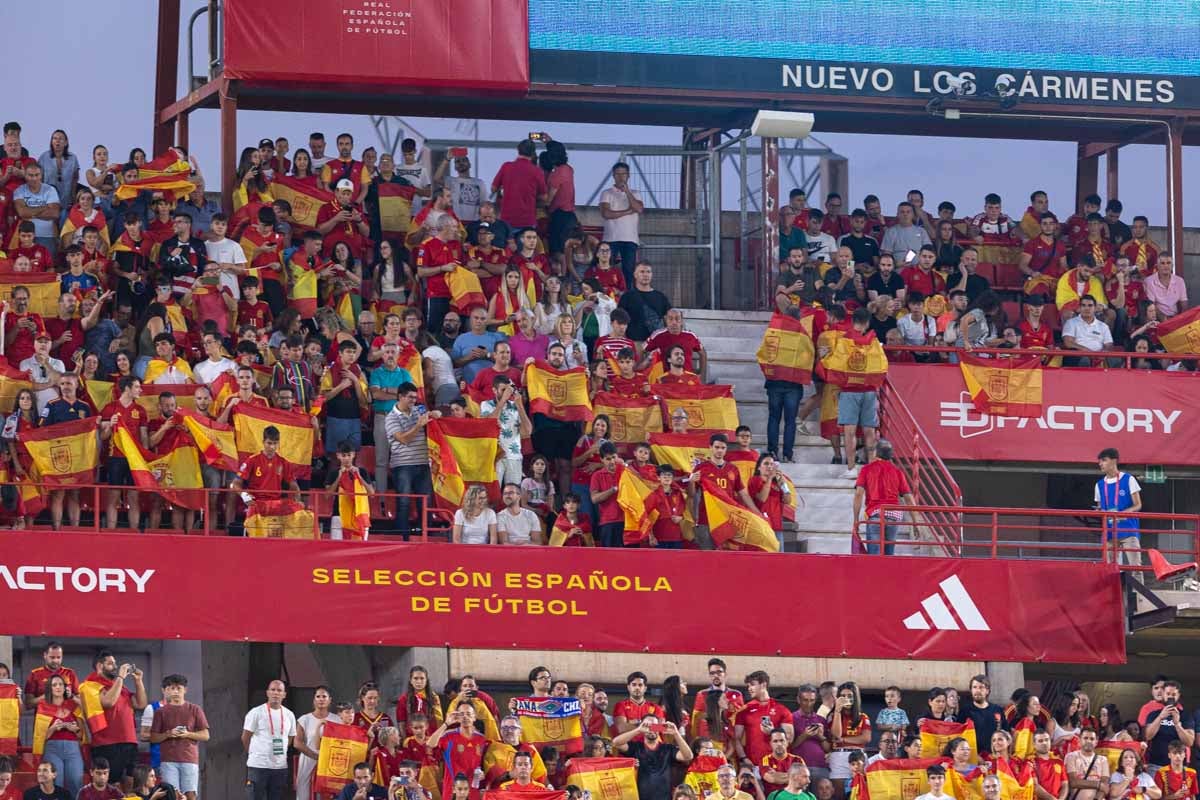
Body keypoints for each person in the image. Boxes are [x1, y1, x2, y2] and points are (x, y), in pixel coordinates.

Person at [81, 651, 147, 792]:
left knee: (132, 782)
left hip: (129, 740)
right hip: (107, 743)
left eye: (115, 663)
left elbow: (140, 704)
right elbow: (109, 702)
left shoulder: (120, 686)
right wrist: (121, 677)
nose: (115, 667)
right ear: (100, 666)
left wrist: (138, 681)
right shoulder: (90, 685)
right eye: (110, 664)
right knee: (112, 785)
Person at [386, 383, 437, 539]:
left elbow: (434, 421)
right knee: (404, 502)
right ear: (400, 396)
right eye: (410, 397)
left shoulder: (419, 411)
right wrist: (418, 425)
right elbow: (403, 439)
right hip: (402, 465)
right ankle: (402, 538)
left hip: (423, 463)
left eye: (415, 397)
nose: (414, 400)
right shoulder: (390, 418)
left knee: (426, 502)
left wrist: (437, 414)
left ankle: (426, 536)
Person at [148, 675, 209, 800]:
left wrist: (187, 734)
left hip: (189, 758)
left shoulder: (195, 709)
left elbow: (205, 735)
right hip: (168, 760)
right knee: (172, 795)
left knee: (190, 795)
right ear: (165, 690)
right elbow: (153, 737)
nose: (175, 691)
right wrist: (168, 734)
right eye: (171, 688)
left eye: (178, 688)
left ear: (185, 690)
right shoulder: (160, 712)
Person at [851, 440, 913, 555]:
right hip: (894, 516)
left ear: (876, 453)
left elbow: (858, 494)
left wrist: (856, 519)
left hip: (876, 515)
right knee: (888, 556)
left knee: (874, 558)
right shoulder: (898, 472)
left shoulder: (866, 469)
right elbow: (909, 498)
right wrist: (915, 522)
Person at [613, 716, 693, 800]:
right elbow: (616, 743)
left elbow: (688, 756)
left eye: (655, 726)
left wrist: (676, 733)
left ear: (659, 728)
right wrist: (638, 730)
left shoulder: (668, 748)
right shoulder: (636, 747)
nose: (651, 729)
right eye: (647, 726)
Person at [242, 680, 296, 800]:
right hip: (258, 766)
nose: (275, 693)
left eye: (279, 690)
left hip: (280, 767)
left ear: (284, 694)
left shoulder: (289, 715)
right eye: (272, 690)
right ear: (267, 693)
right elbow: (245, 737)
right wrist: (254, 753)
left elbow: (291, 737)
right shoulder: (256, 712)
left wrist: (280, 751)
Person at [734, 671, 793, 771]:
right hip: (754, 765)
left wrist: (772, 732)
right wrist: (744, 758)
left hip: (778, 764)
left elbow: (790, 739)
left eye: (752, 685)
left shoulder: (782, 710)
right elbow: (736, 738)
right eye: (748, 686)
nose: (749, 688)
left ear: (763, 684)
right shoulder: (744, 710)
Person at [599, 162, 644, 289]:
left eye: (623, 174)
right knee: (608, 268)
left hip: (630, 239)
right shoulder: (606, 193)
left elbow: (639, 209)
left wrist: (627, 192)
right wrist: (628, 211)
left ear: (628, 176)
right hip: (610, 239)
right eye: (618, 174)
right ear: (613, 175)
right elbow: (606, 213)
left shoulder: (635, 193)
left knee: (629, 271)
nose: (621, 177)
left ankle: (628, 297)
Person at [1145, 682, 1194, 770]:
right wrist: (1160, 717)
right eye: (1168, 694)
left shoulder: (1185, 716)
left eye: (1174, 694)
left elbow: (1189, 742)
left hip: (1178, 765)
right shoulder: (1153, 715)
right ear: (1163, 694)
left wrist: (1177, 724)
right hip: (1156, 764)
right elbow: (1148, 736)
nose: (1170, 697)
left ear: (1178, 695)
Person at [1065, 729, 1110, 800]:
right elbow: (1073, 782)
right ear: (1079, 741)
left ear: (1096, 742)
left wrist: (1097, 799)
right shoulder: (1071, 756)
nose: (1088, 741)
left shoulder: (1103, 760)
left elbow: (1105, 786)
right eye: (1085, 738)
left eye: (1092, 739)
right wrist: (1098, 785)